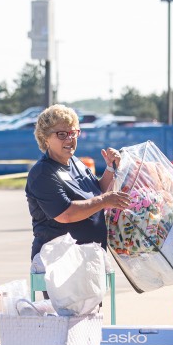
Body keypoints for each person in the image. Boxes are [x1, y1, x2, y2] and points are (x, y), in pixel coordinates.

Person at [25, 104, 131, 264]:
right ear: (45, 138)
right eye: (62, 134)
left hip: (90, 259)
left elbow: (98, 191)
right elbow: (66, 214)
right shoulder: (42, 173)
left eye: (73, 133)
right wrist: (105, 201)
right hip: (60, 264)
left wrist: (110, 167)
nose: (70, 138)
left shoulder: (77, 163)